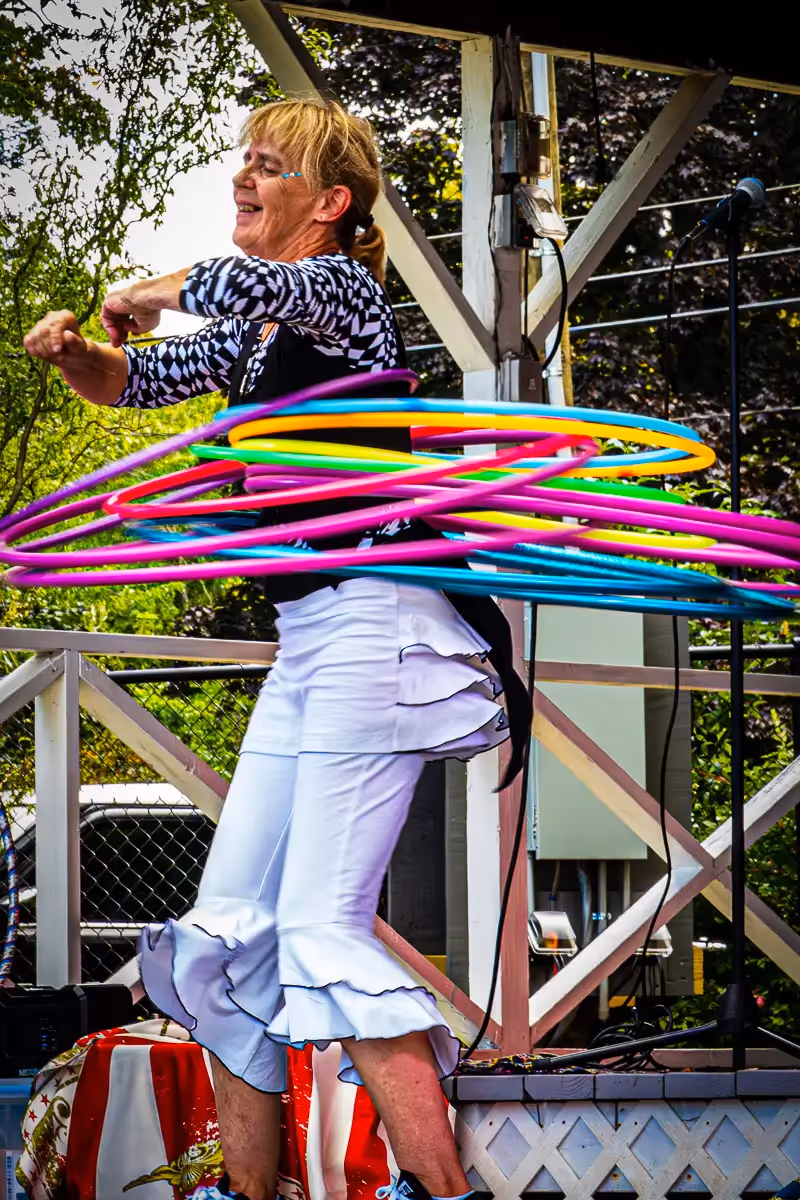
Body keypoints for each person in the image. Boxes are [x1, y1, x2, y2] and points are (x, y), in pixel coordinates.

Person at [24, 99, 527, 1200]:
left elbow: (230, 285)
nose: (243, 179)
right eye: (241, 163)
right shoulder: (253, 336)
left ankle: (444, 1191)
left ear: (329, 204)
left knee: (317, 924)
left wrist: (142, 291)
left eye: (269, 166)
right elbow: (136, 380)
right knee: (227, 935)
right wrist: (77, 353)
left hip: (378, 619)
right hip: (311, 635)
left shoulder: (341, 292)